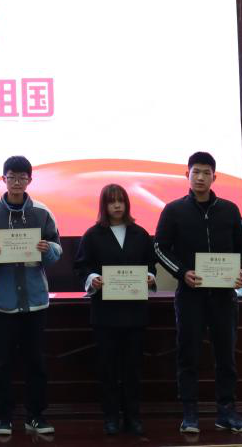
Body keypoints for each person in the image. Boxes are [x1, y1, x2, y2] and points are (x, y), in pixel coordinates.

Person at [154, 151, 242, 434]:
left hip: (223, 296)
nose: (200, 177)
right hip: (190, 295)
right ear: (187, 175)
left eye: (206, 173)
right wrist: (182, 272)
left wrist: (241, 271)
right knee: (188, 354)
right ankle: (190, 413)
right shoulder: (173, 210)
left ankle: (226, 412)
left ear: (214, 177)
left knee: (226, 355)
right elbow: (160, 247)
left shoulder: (229, 210)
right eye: (195, 172)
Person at [0, 155, 60, 437]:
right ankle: (4, 417)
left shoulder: (42, 212)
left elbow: (57, 250)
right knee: (2, 364)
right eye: (12, 177)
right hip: (2, 302)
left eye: (22, 177)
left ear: (30, 180)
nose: (17, 182)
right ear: (3, 179)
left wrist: (47, 249)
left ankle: (36, 415)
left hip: (35, 301)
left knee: (36, 362)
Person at [73, 184, 156, 436]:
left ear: (127, 204)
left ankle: (133, 416)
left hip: (135, 313)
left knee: (133, 369)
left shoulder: (140, 233)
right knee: (107, 368)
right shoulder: (92, 235)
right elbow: (82, 267)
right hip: (105, 314)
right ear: (104, 205)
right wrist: (92, 279)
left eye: (121, 201)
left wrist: (150, 277)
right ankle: (111, 417)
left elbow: (151, 265)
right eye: (112, 201)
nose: (117, 205)